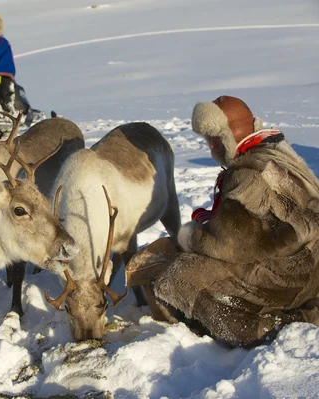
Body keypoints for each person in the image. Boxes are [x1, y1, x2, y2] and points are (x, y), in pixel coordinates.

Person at [125, 95, 319, 347]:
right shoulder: (277, 152)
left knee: (177, 276)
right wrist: (218, 218)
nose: (213, 145)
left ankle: (263, 330)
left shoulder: (248, 174)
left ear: (233, 131)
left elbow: (227, 246)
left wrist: (192, 236)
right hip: (310, 267)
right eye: (209, 139)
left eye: (217, 137)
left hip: (289, 278)